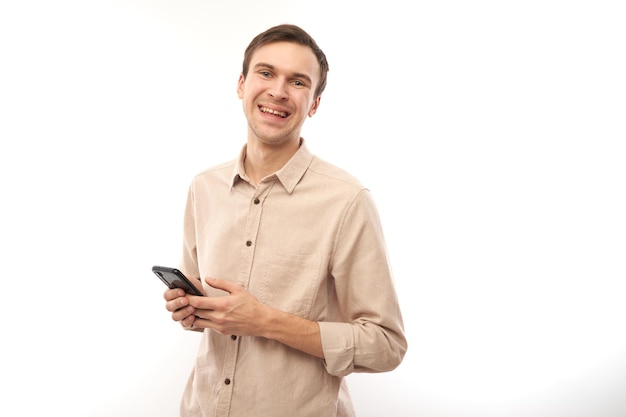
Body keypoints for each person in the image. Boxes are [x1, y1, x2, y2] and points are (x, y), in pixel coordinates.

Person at [163, 23, 407, 417]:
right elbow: (203, 310)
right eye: (265, 73)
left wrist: (265, 321)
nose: (277, 90)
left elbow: (386, 345)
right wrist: (189, 310)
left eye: (297, 81)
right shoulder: (203, 187)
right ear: (241, 84)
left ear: (313, 103)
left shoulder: (346, 200)